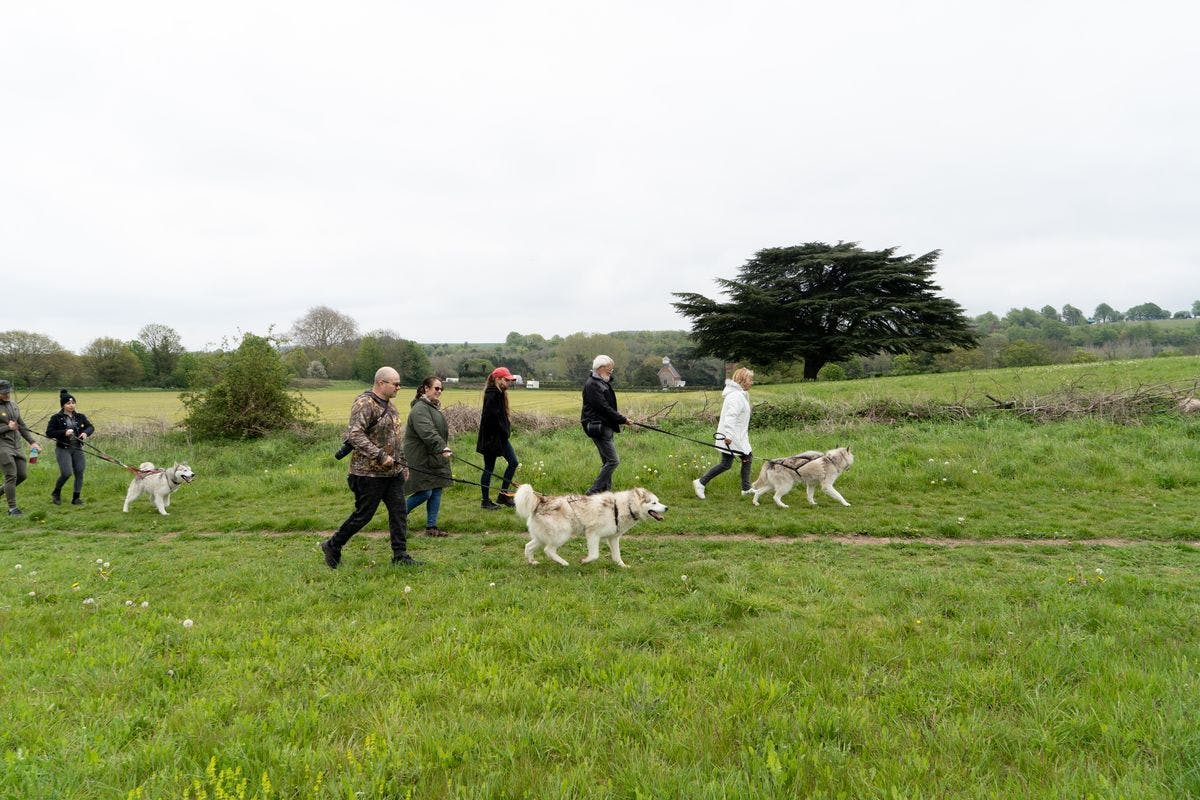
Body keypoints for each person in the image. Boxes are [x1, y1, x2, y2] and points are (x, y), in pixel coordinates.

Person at [320, 367, 420, 569]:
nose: (399, 388)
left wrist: (403, 464)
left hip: (393, 473)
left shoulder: (391, 408)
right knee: (364, 515)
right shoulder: (365, 403)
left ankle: (400, 555)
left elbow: (395, 440)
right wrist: (380, 455)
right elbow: (355, 435)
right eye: (396, 384)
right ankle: (333, 544)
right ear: (381, 383)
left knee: (399, 512)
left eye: (399, 384)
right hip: (367, 473)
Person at [402, 376, 454, 537]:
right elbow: (427, 431)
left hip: (433, 455)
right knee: (425, 492)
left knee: (437, 488)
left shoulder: (431, 407)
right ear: (426, 388)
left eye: (441, 389)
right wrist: (442, 447)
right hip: (419, 456)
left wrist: (440, 448)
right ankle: (398, 515)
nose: (439, 391)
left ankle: (431, 527)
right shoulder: (420, 409)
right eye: (436, 388)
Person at [693, 367, 755, 500]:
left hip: (739, 436)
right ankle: (700, 482)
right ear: (743, 380)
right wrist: (729, 436)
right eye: (750, 379)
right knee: (727, 463)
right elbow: (730, 417)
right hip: (732, 437)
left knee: (747, 457)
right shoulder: (736, 396)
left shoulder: (740, 394)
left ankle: (746, 488)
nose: (752, 382)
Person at [581, 355, 632, 495]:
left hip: (605, 426)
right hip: (598, 427)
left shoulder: (601, 382)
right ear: (600, 368)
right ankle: (593, 491)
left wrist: (620, 419)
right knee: (613, 461)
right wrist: (623, 419)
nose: (611, 371)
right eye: (609, 368)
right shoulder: (592, 384)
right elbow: (603, 407)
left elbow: (607, 407)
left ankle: (605, 493)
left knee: (607, 461)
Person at [477, 366, 520, 510]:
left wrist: (505, 431)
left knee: (513, 462)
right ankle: (485, 501)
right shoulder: (492, 394)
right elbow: (491, 420)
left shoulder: (500, 393)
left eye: (509, 380)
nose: (508, 383)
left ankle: (503, 495)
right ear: (498, 379)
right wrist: (504, 430)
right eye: (506, 380)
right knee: (488, 468)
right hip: (491, 439)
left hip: (500, 438)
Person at [46, 388, 95, 506]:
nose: (71, 405)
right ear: (63, 405)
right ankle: (56, 493)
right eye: (68, 403)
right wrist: (64, 432)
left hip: (77, 448)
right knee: (67, 473)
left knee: (79, 472)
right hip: (63, 449)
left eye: (73, 403)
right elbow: (49, 432)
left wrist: (85, 433)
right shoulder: (56, 418)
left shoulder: (80, 416)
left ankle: (76, 498)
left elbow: (90, 427)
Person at [0, 379, 38, 516]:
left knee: (22, 475)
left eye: (8, 391)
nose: (7, 394)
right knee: (11, 475)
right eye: (3, 393)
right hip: (2, 445)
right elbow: (8, 427)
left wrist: (32, 442)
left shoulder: (14, 405)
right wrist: (6, 427)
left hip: (16, 445)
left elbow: (21, 425)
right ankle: (12, 509)